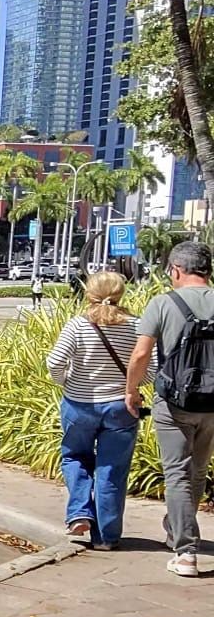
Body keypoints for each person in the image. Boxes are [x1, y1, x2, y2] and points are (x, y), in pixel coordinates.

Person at [124, 238, 214, 577]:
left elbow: (141, 354)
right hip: (213, 404)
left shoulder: (163, 303)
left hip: (174, 402)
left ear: (176, 270)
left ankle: (186, 551)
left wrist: (131, 391)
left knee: (177, 472)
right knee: (198, 471)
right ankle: (177, 530)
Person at [45, 271, 140, 549]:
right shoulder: (136, 326)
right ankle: (107, 537)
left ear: (89, 294)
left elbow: (54, 363)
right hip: (120, 407)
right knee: (112, 469)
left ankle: (79, 513)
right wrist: (131, 386)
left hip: (79, 405)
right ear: (121, 293)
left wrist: (68, 382)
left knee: (74, 456)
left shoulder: (78, 326)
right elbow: (151, 368)